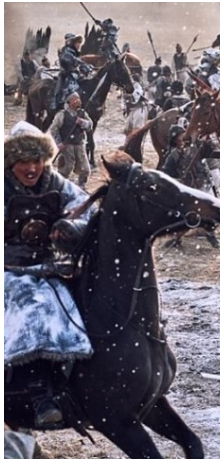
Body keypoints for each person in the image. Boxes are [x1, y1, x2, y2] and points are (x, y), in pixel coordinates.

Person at [5, 121, 94, 426]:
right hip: (9, 270)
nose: (32, 168)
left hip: (50, 265)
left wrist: (70, 225)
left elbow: (85, 206)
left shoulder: (54, 181)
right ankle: (40, 394)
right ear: (11, 162)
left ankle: (80, 384)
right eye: (23, 161)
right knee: (35, 305)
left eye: (37, 160)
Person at [48, 92, 93, 189]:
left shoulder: (82, 113)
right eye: (75, 99)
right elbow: (54, 129)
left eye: (78, 98)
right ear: (69, 101)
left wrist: (82, 122)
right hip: (67, 144)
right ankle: (60, 185)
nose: (78, 101)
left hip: (79, 143)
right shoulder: (62, 114)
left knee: (84, 168)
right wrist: (58, 142)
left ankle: (82, 185)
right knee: (66, 166)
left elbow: (90, 125)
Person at [51, 33, 92, 111]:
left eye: (79, 43)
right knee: (59, 91)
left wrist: (87, 67)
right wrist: (80, 64)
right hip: (66, 75)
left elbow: (78, 61)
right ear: (71, 42)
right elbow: (72, 61)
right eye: (77, 43)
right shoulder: (66, 51)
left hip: (74, 74)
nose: (79, 45)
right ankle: (55, 104)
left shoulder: (74, 52)